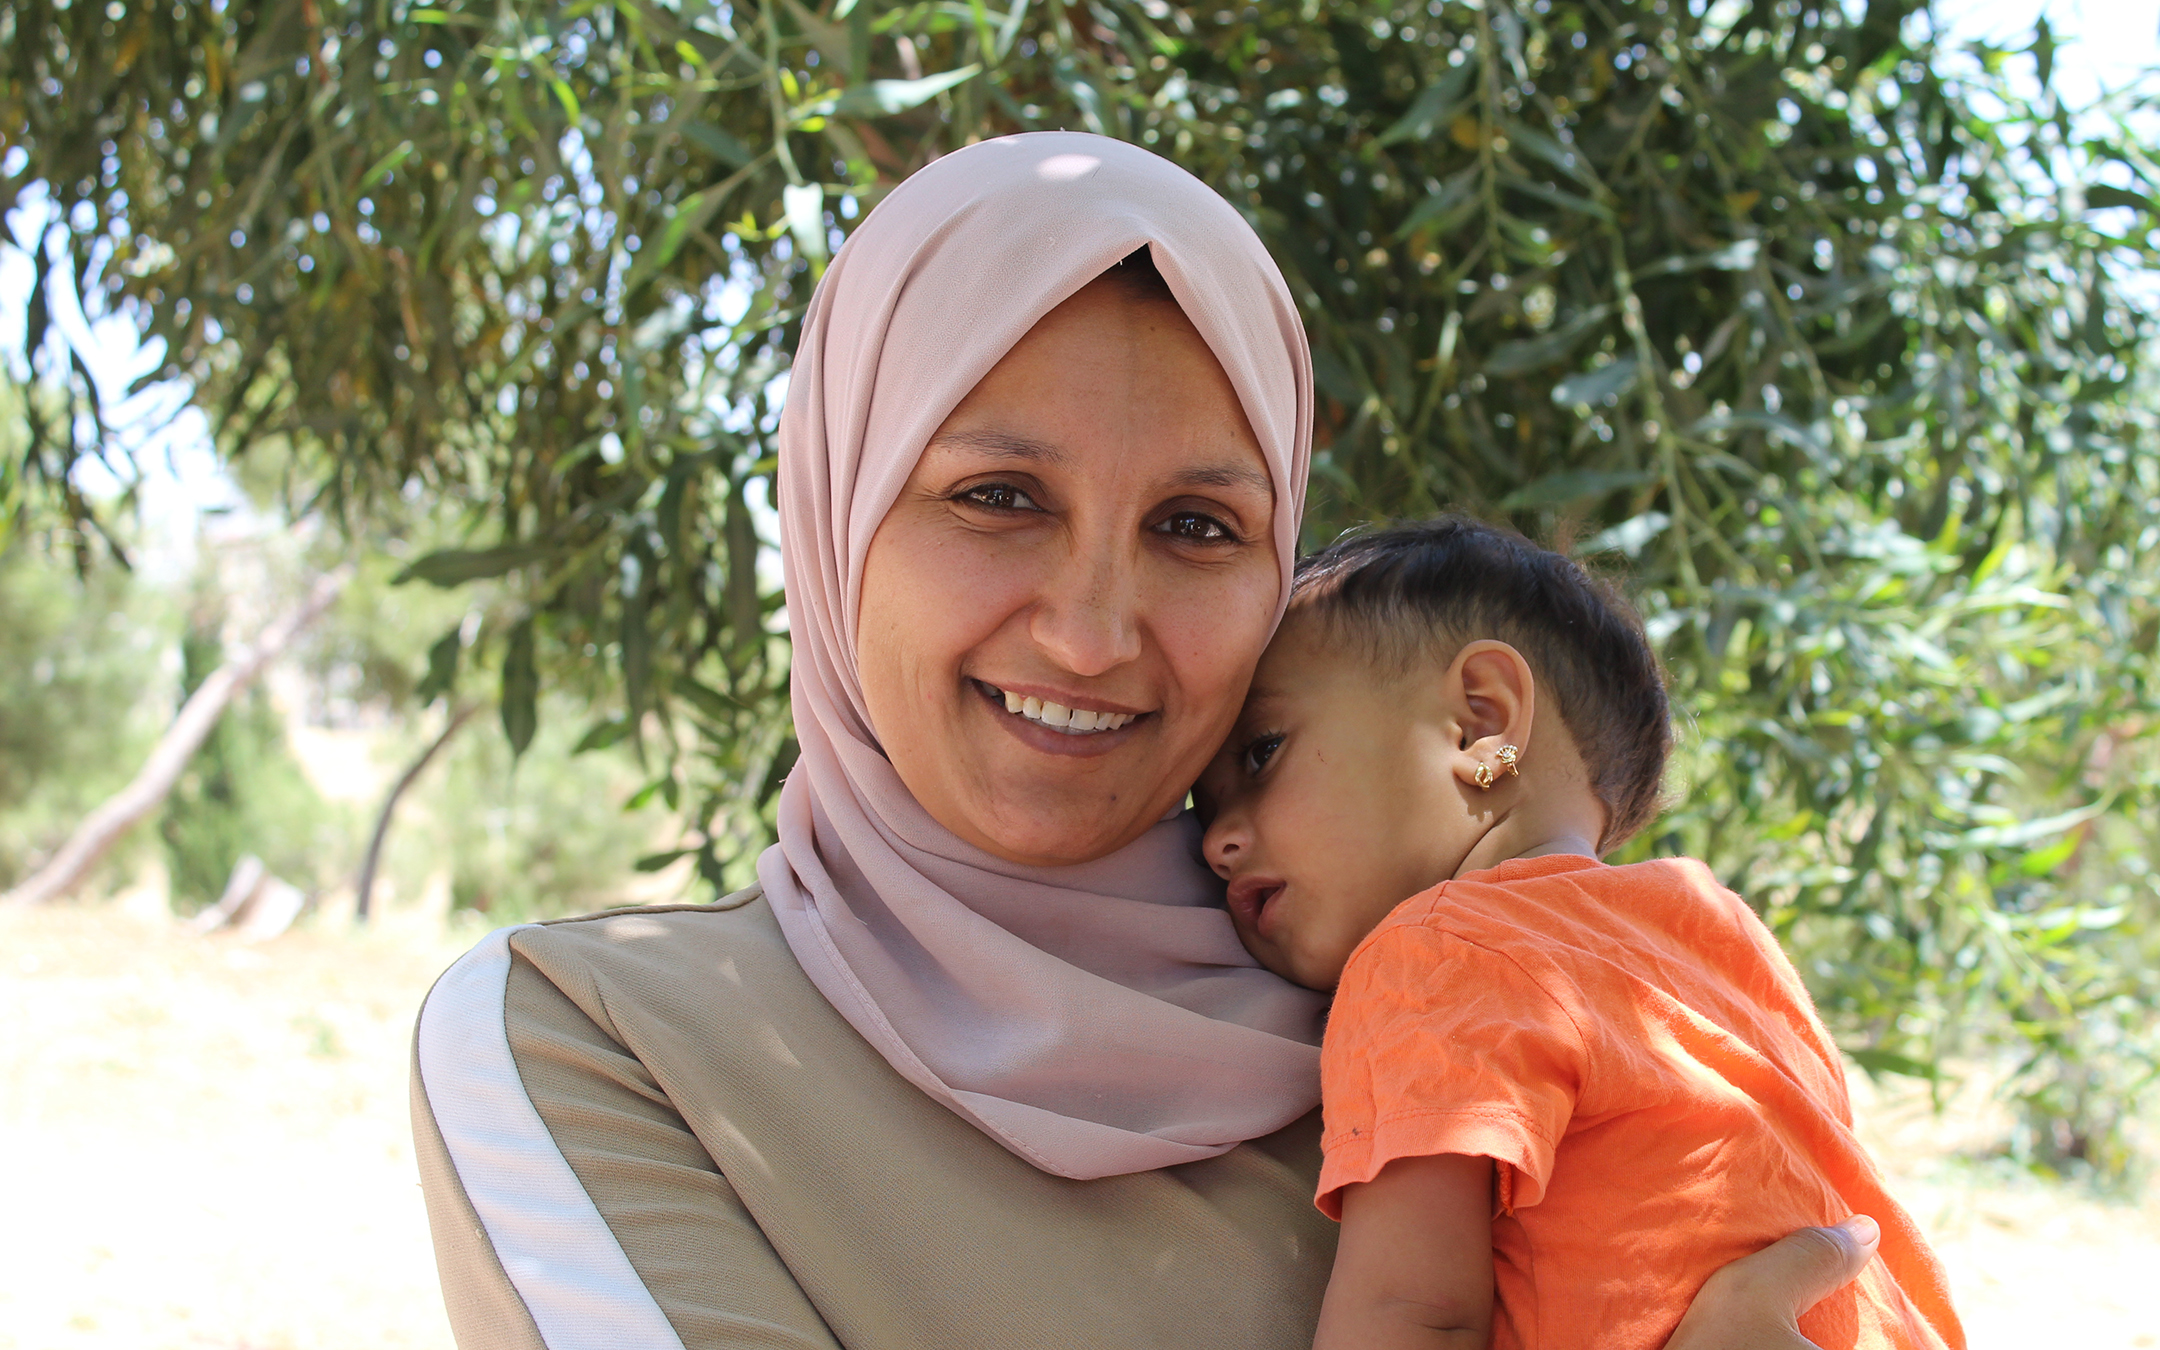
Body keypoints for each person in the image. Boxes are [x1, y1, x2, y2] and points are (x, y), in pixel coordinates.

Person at [410, 131, 1886, 1350]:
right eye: (997, 495)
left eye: (1195, 526)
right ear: (838, 513)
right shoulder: (609, 1043)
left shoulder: (1434, 996)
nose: (1095, 631)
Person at [1194, 518, 1967, 1350]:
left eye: (1263, 752)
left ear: (1481, 723)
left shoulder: (1431, 955)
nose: (1214, 841)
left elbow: (1414, 1320)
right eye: (1204, 806)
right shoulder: (1720, 930)